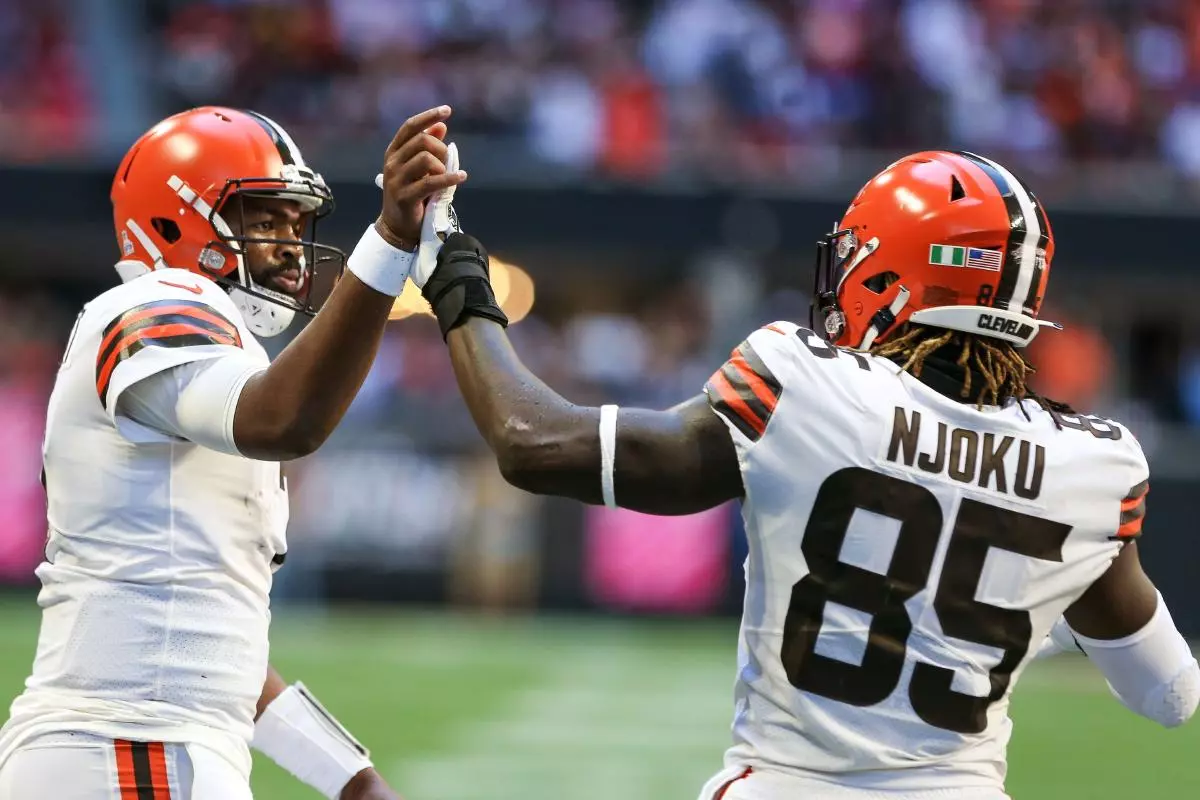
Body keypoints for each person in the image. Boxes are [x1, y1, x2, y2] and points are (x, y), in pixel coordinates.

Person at [410, 149, 1199, 799]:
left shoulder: (807, 385)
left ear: (892, 279)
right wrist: (1023, 616)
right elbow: (1170, 696)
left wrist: (454, 272)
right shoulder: (1094, 466)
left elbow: (531, 441)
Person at [0, 104, 466, 799]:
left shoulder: (214, 351)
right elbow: (287, 420)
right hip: (130, 745)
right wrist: (390, 241)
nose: (287, 243)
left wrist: (357, 783)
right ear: (174, 218)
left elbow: (215, 649)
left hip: (140, 747)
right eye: (263, 219)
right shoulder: (153, 303)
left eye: (291, 222)